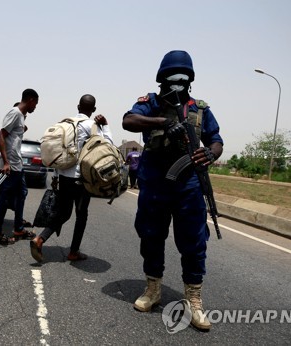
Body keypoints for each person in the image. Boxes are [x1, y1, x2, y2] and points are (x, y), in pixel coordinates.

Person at [122, 50, 223, 331]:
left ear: (189, 80)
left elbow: (216, 140)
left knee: (193, 242)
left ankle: (194, 299)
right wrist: (162, 122)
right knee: (151, 237)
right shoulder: (150, 103)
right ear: (161, 80)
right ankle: (153, 289)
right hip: (155, 183)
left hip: (188, 186)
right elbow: (128, 121)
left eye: (181, 78)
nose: (175, 84)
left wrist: (210, 154)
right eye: (170, 78)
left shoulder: (199, 109)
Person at [30, 94, 114, 262]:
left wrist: (55, 175)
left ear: (78, 107)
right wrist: (105, 126)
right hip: (80, 179)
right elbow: (108, 146)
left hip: (63, 176)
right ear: (94, 109)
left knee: (64, 213)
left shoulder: (66, 123)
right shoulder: (92, 125)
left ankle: (40, 239)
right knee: (81, 214)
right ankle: (73, 252)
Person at [0, 88, 39, 245]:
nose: (35, 107)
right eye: (35, 104)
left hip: (18, 164)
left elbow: (13, 137)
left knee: (21, 194)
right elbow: (1, 137)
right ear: (30, 100)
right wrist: (7, 162)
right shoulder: (15, 113)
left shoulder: (20, 117)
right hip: (11, 165)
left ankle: (18, 228)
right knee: (4, 198)